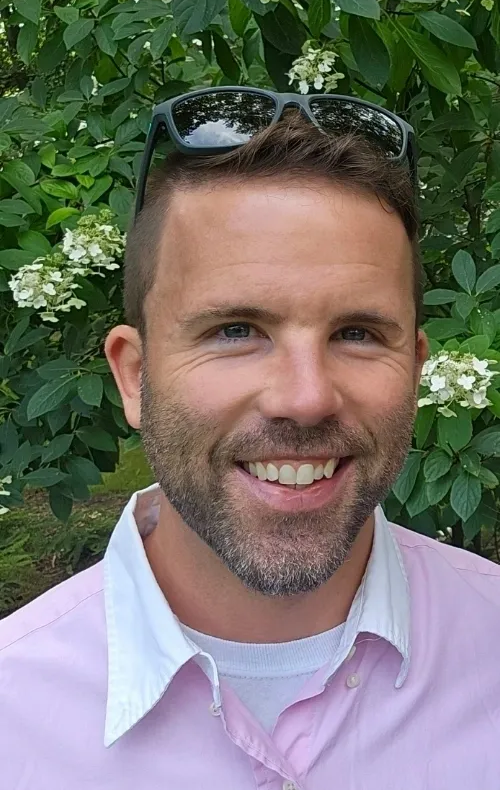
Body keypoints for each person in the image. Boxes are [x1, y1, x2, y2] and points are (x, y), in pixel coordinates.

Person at [1, 88, 500, 789]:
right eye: (235, 331)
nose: (304, 398)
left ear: (416, 369)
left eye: (357, 334)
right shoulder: (12, 714)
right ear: (135, 376)